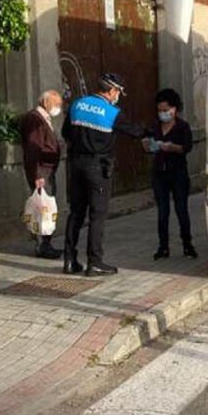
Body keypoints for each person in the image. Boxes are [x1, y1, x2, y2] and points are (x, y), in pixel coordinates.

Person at [61, 73, 147, 276]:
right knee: (97, 215)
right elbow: (134, 131)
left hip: (75, 165)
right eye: (118, 92)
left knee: (76, 213)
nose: (118, 96)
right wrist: (151, 132)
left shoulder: (77, 105)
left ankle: (69, 260)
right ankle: (95, 261)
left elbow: (66, 133)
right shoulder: (112, 112)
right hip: (97, 168)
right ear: (111, 90)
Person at [148, 88, 196, 260]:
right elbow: (148, 144)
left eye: (165, 110)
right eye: (160, 110)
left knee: (181, 210)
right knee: (163, 212)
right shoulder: (155, 126)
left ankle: (187, 244)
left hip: (178, 173)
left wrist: (172, 147)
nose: (163, 113)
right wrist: (148, 145)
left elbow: (187, 147)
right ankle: (163, 246)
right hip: (160, 173)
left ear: (174, 109)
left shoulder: (183, 127)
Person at [19, 90, 64, 259]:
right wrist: (37, 174)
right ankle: (42, 245)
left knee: (47, 206)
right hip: (42, 170)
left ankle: (46, 243)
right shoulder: (34, 119)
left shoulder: (42, 118)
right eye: (56, 104)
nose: (58, 108)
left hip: (47, 169)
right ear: (46, 103)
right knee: (42, 208)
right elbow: (34, 148)